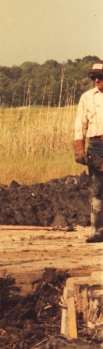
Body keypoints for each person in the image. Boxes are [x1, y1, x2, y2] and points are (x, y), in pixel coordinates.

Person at [73, 60, 103, 243]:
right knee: (97, 189)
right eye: (95, 78)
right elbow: (80, 124)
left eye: (101, 77)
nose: (98, 81)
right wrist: (79, 149)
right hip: (96, 146)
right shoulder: (87, 98)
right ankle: (97, 231)